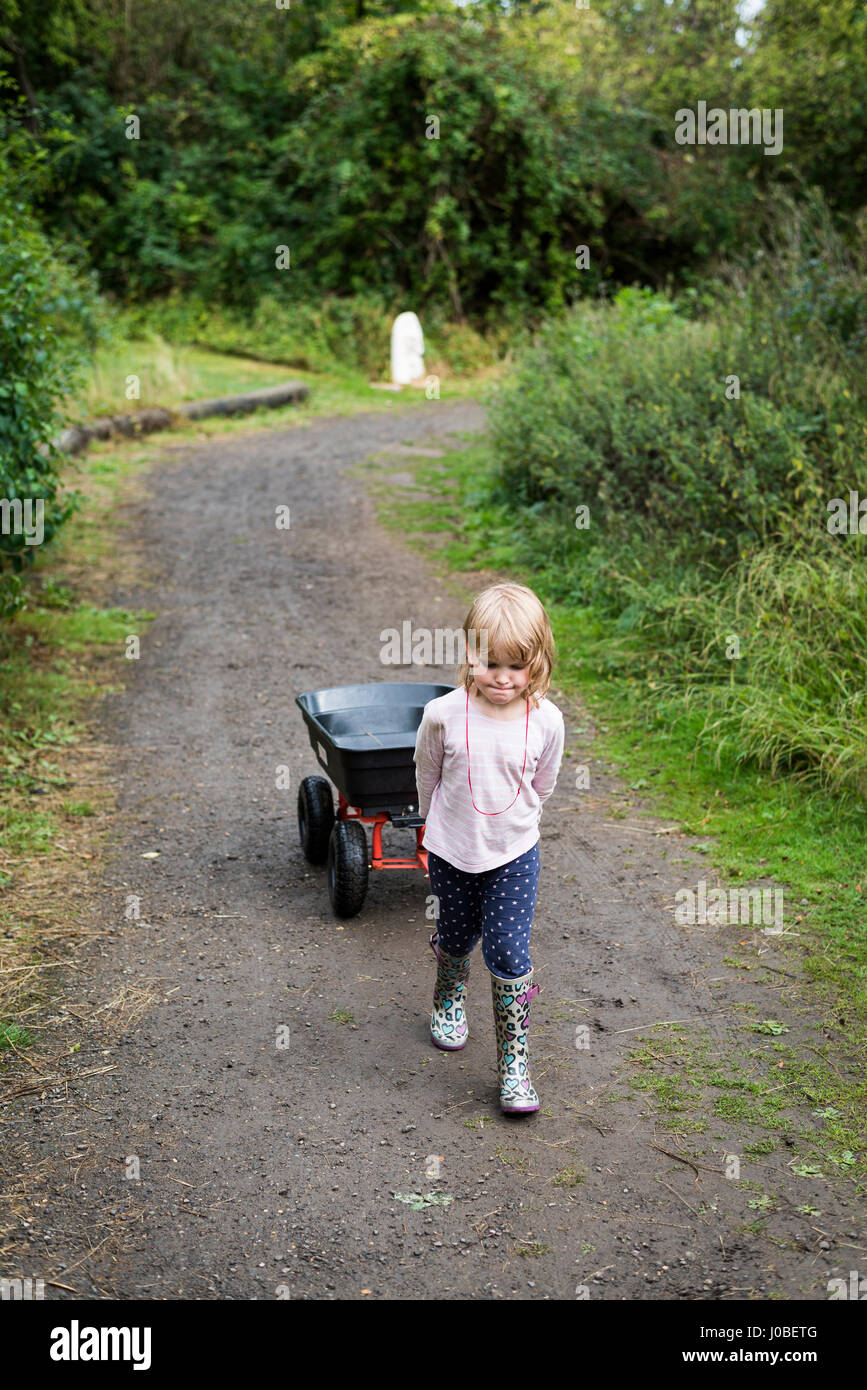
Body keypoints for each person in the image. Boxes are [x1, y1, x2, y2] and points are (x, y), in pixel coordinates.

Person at [413, 582, 565, 1115]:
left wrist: (512, 823)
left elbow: (542, 784)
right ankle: (449, 990)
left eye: (516, 666)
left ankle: (514, 1065)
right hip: (454, 850)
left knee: (508, 950)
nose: (503, 678)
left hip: (515, 854)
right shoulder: (443, 715)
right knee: (457, 934)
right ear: (470, 655)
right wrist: (432, 835)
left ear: (538, 661)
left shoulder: (546, 720)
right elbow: (427, 775)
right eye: (490, 663)